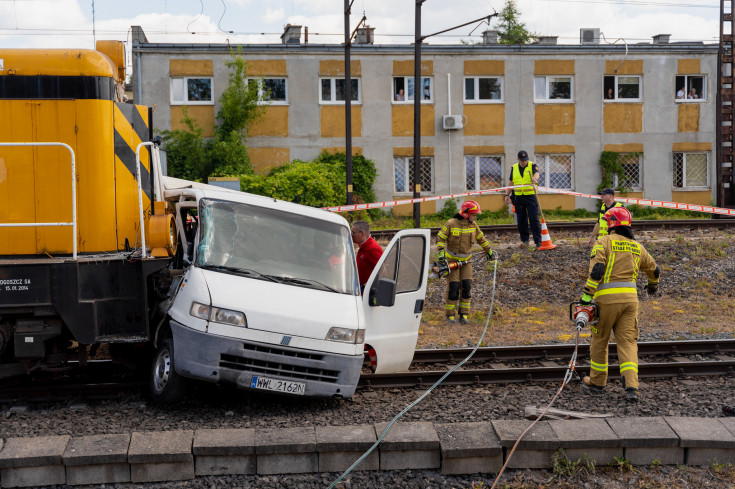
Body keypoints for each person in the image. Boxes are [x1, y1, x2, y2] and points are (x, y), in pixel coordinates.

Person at [577, 207, 660, 402]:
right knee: (628, 343)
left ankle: (597, 382)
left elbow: (597, 271)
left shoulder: (603, 242)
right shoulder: (636, 246)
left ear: (611, 224)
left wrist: (586, 297)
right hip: (630, 301)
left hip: (606, 301)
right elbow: (655, 271)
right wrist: (652, 287)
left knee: (600, 340)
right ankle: (632, 387)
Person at [436, 200, 495, 324]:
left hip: (467, 262)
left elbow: (481, 238)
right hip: (452, 261)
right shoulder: (451, 223)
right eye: (474, 214)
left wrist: (488, 251)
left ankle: (464, 315)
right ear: (467, 215)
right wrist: (441, 252)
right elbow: (440, 237)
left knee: (467, 286)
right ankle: (450, 315)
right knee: (454, 287)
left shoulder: (473, 225)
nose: (476, 217)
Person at [504, 150, 542, 249]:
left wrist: (535, 179)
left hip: (530, 197)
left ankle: (538, 242)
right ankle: (525, 241)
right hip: (519, 197)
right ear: (518, 159)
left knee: (534, 219)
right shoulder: (514, 167)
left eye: (525, 160)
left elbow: (537, 173)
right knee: (521, 220)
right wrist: (507, 195)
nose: (524, 162)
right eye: (522, 160)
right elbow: (511, 182)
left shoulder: (532, 165)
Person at [351, 220, 383, 292]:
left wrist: (367, 287)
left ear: (362, 234)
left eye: (353, 233)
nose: (351, 235)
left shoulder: (372, 249)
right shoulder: (363, 245)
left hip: (365, 294)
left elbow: (382, 270)